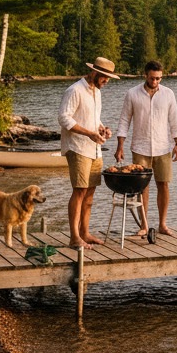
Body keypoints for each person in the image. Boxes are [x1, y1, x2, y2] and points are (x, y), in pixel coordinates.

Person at [115, 60, 177, 237]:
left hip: (163, 147)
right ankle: (144, 225)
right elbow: (124, 121)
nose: (155, 82)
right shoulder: (132, 94)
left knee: (164, 184)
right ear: (145, 75)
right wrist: (120, 146)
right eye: (152, 78)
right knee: (142, 187)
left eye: (159, 79)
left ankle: (162, 224)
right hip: (140, 147)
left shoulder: (168, 94)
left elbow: (174, 120)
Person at [58, 56, 117, 248]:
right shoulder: (74, 90)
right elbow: (64, 119)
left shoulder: (96, 92)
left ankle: (85, 232)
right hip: (77, 147)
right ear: (94, 72)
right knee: (80, 190)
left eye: (109, 77)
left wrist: (101, 128)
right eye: (104, 77)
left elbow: (92, 118)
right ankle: (74, 237)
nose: (107, 81)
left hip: (95, 149)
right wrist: (89, 133)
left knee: (90, 192)